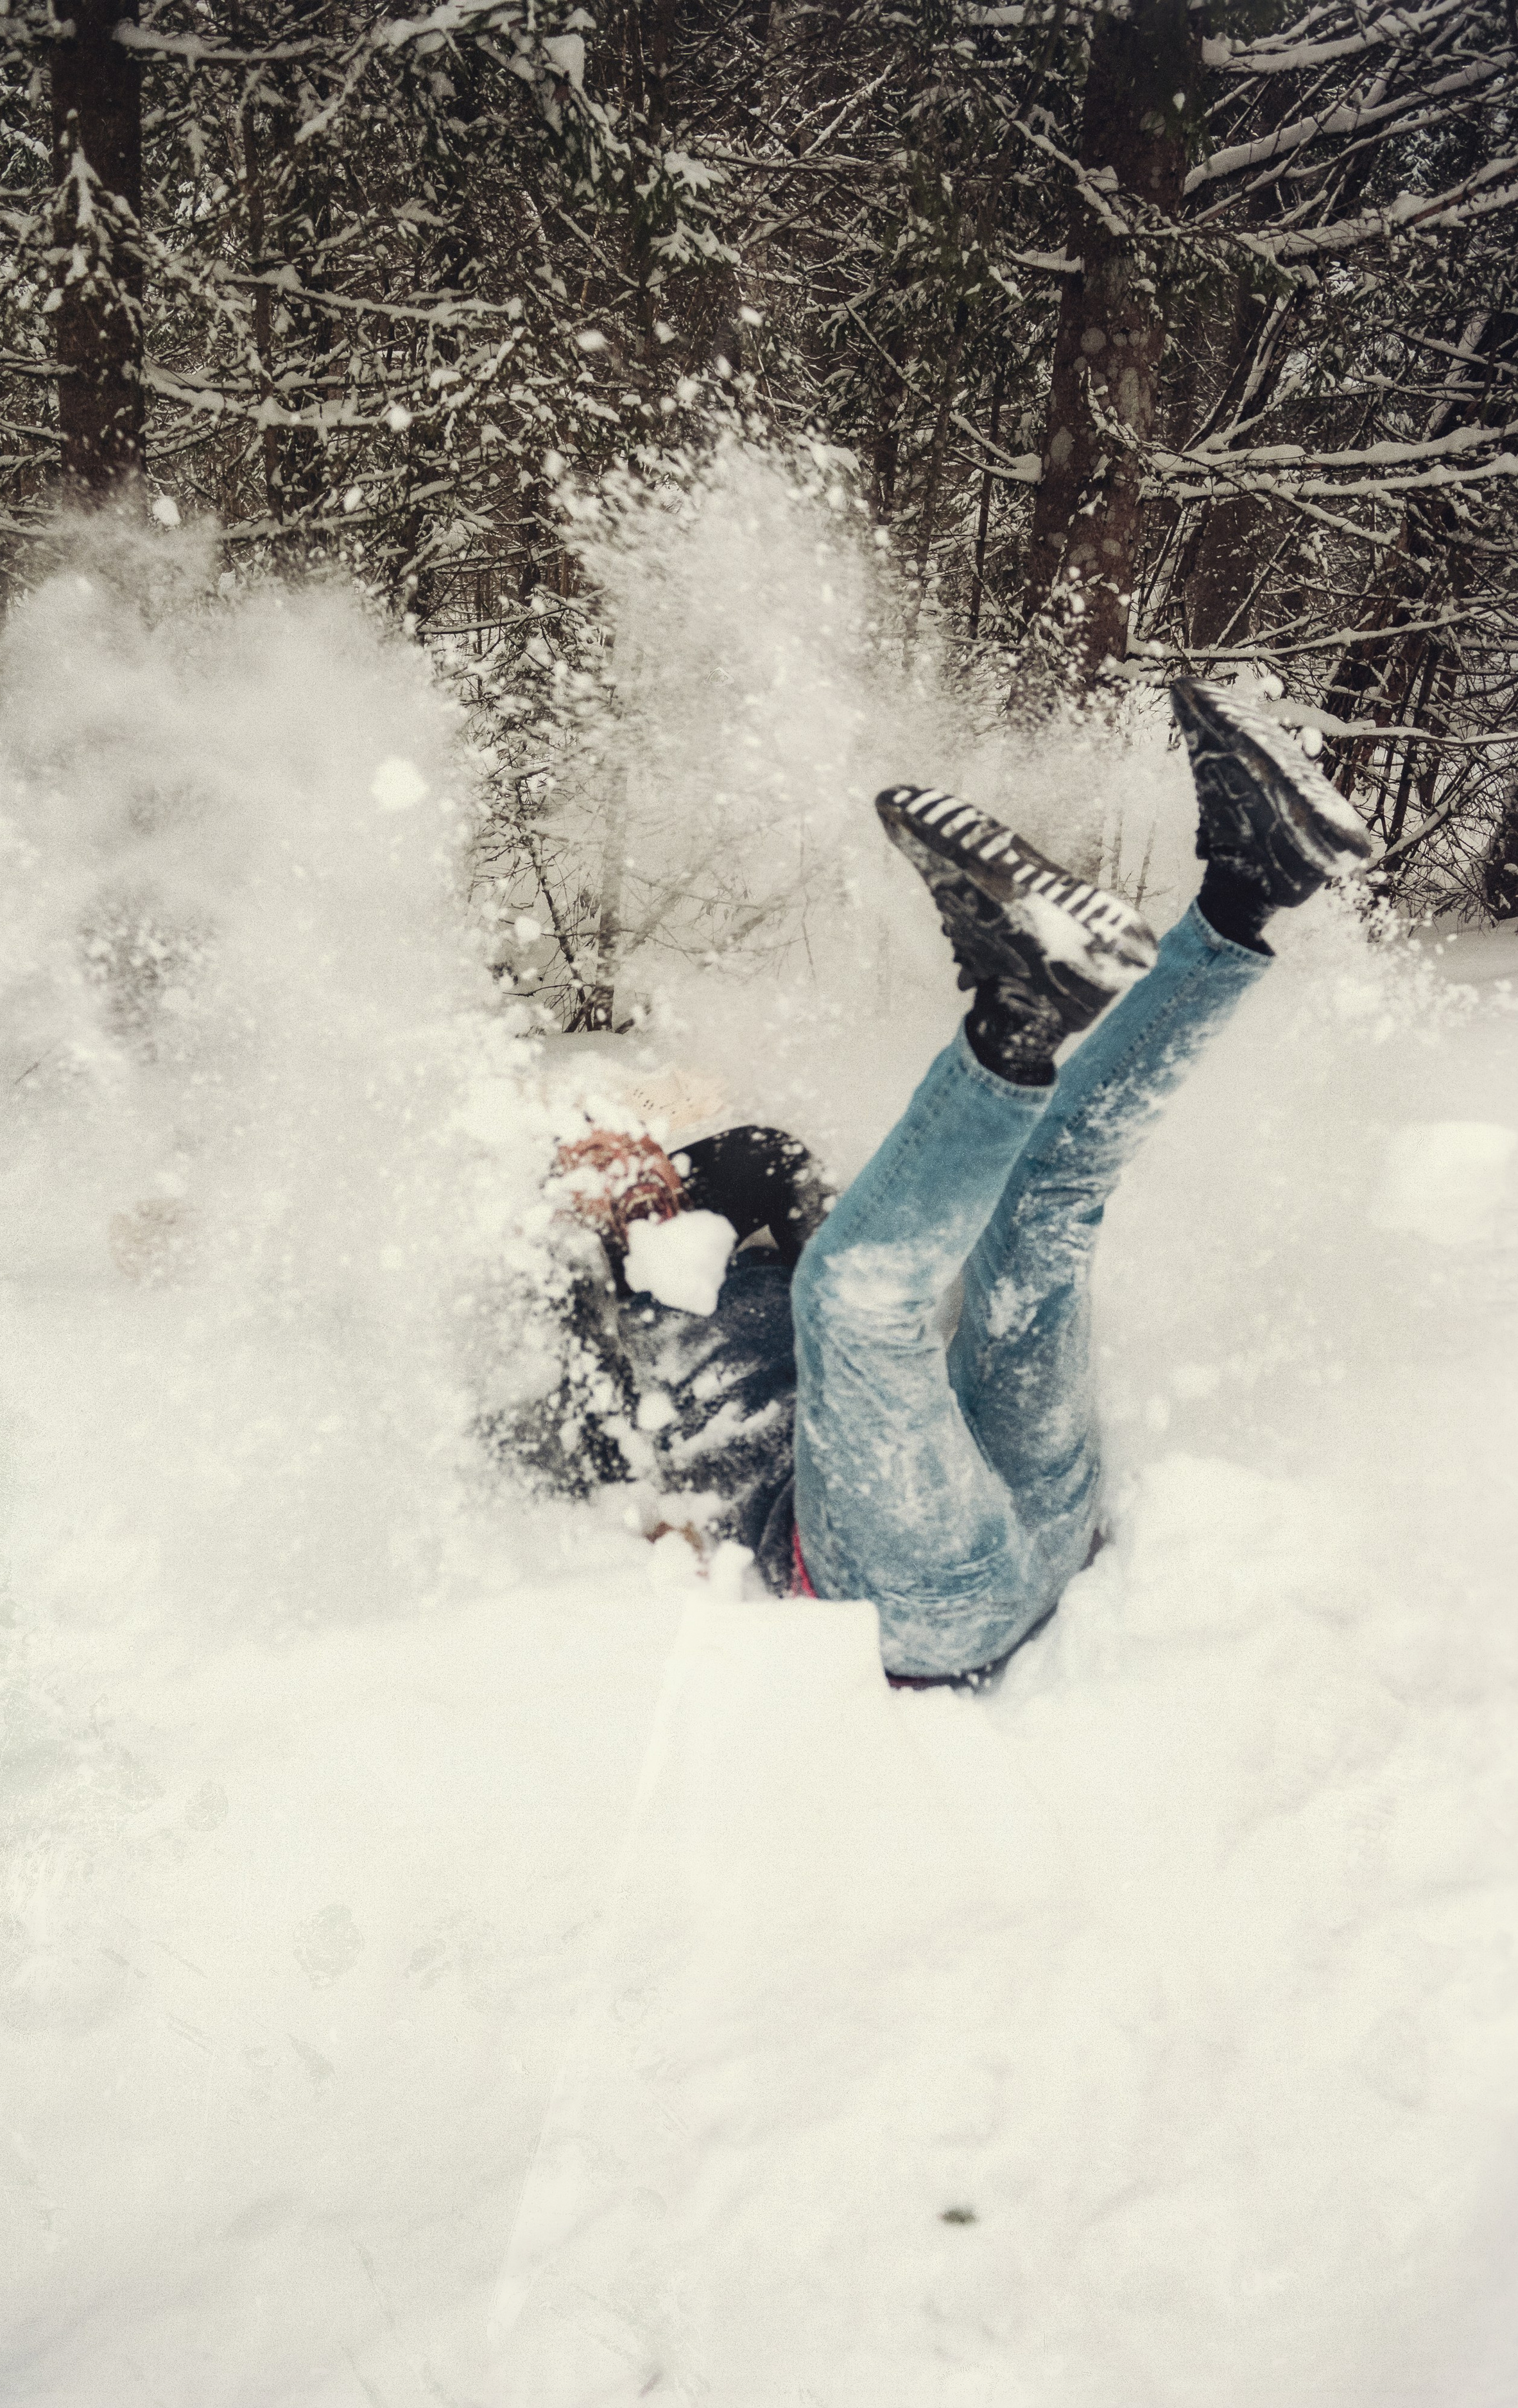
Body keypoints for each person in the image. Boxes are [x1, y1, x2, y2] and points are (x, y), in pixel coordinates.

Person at [510, 679, 1372, 1687]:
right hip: (903, 1594)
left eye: (632, 1148)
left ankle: (1248, 885)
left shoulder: (740, 1234)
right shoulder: (593, 1341)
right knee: (848, 1297)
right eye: (588, 1165)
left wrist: (658, 1169)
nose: (624, 1169)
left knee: (1039, 1202)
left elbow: (769, 1166)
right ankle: (1017, 1016)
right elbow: (570, 1431)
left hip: (1023, 1492)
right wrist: (578, 1238)